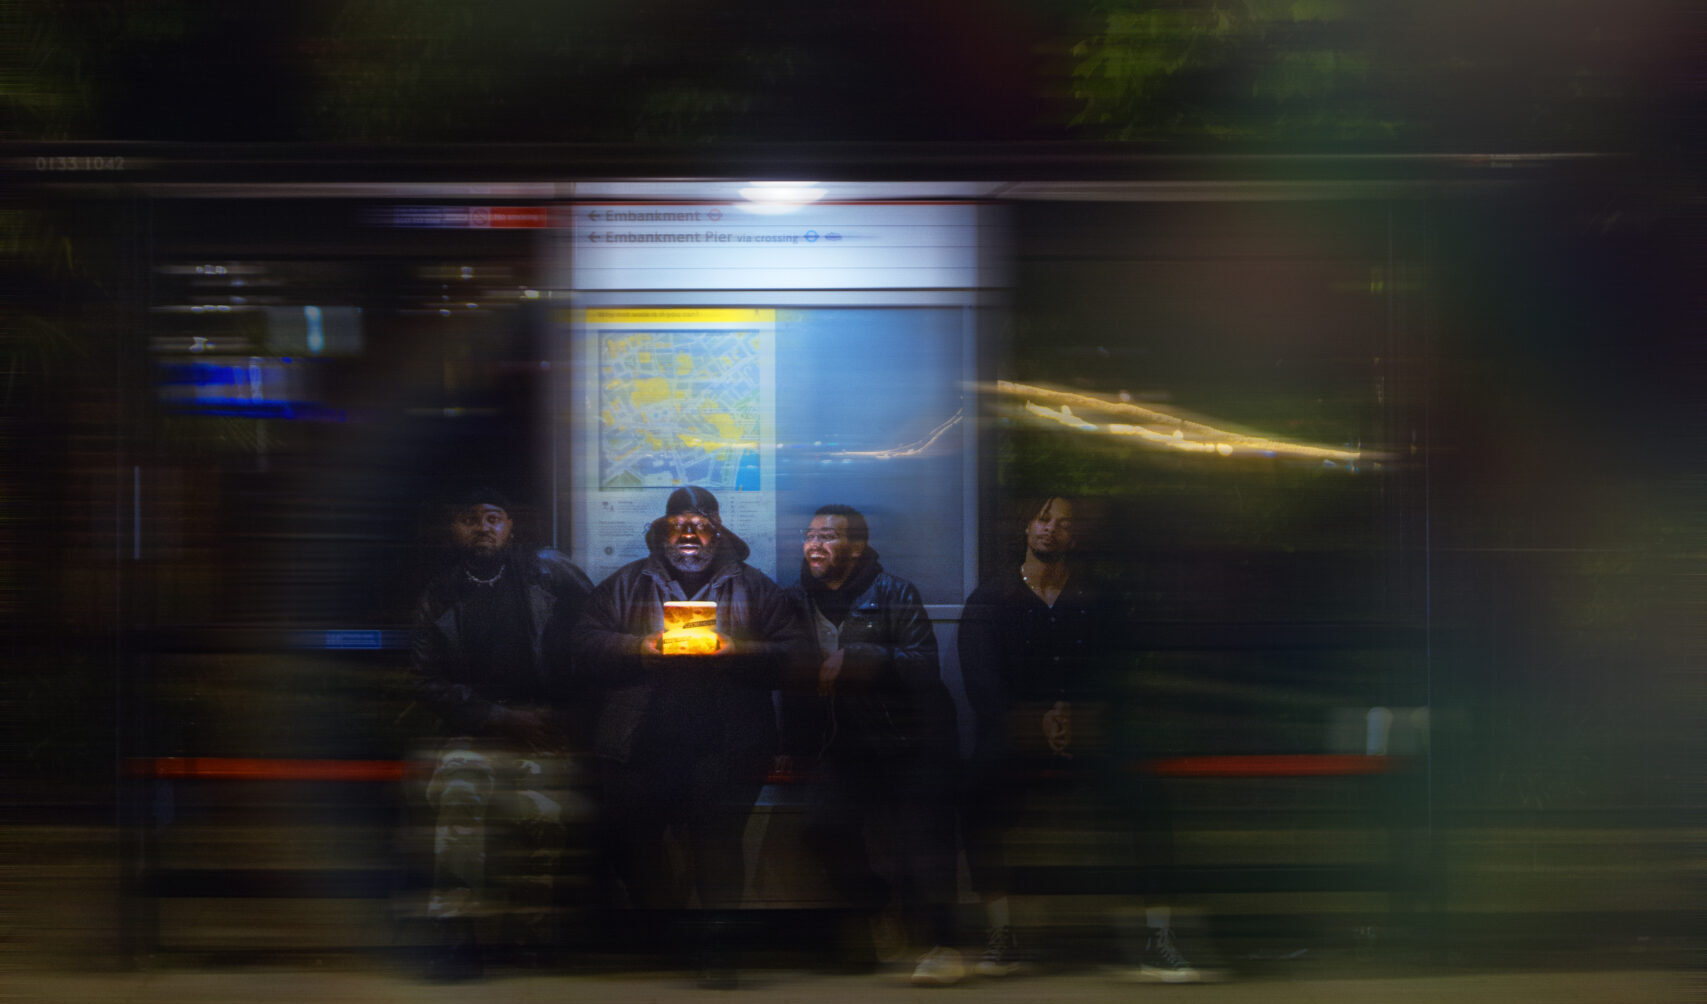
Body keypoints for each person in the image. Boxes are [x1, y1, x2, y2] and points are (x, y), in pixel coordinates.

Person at [570, 485, 813, 988]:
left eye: (700, 525)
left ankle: (719, 948)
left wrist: (736, 650)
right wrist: (639, 646)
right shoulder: (626, 583)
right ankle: (671, 938)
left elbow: (797, 656)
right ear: (662, 532)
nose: (688, 534)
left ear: (718, 532)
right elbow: (581, 645)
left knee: (718, 844)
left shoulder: (754, 586)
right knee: (637, 843)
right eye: (678, 524)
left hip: (729, 739)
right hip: (641, 740)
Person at [958, 495, 1206, 982]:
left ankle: (1158, 938)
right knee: (975, 790)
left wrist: (1077, 714)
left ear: (1076, 537)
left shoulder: (1099, 598)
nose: (1052, 530)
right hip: (1017, 732)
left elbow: (1117, 673)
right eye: (1043, 519)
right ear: (1026, 528)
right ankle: (1001, 933)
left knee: (1148, 797)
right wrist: (1034, 720)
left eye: (1064, 524)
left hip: (1092, 731)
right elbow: (981, 681)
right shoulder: (991, 599)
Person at [409, 487, 594, 981]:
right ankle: (456, 937)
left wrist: (566, 717)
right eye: (470, 518)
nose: (483, 528)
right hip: (474, 729)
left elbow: (591, 644)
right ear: (455, 528)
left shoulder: (548, 576)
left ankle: (530, 936)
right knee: (459, 803)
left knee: (544, 814)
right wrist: (497, 717)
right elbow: (427, 681)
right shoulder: (440, 593)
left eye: (493, 517)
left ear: (511, 525)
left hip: (544, 727)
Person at [780, 505, 963, 985]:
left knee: (924, 840)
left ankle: (942, 943)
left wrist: (859, 658)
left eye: (828, 535)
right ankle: (877, 906)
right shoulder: (794, 599)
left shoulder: (895, 592)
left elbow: (924, 665)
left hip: (908, 740)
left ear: (856, 547)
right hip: (840, 745)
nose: (815, 544)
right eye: (810, 534)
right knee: (821, 828)